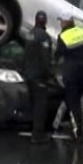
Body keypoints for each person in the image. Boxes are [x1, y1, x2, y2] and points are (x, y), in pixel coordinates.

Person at [54, 12, 83, 142]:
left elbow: (58, 54)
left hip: (70, 73)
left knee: (72, 103)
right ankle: (79, 128)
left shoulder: (63, 36)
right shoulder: (81, 32)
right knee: (78, 103)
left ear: (66, 22)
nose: (60, 23)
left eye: (61, 21)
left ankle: (77, 133)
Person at [23, 11, 54, 144]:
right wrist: (49, 75)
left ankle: (33, 130)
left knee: (33, 104)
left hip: (29, 75)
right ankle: (38, 135)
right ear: (45, 21)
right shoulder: (44, 37)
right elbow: (45, 58)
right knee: (40, 106)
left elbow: (25, 55)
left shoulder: (30, 35)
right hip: (39, 76)